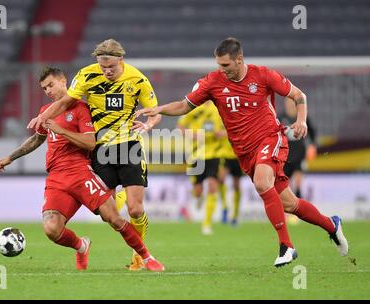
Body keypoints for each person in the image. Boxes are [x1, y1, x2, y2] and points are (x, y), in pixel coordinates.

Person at [135, 37, 348, 267]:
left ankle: (287, 246)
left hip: (270, 138)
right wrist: (159, 109)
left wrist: (302, 120)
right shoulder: (213, 81)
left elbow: (299, 95)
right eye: (218, 64)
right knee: (289, 203)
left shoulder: (264, 75)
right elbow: (184, 105)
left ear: (239, 59)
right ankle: (331, 224)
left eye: (225, 65)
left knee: (261, 182)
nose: (221, 70)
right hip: (244, 151)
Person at [0, 67, 164, 272]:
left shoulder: (81, 108)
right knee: (51, 229)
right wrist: (11, 157)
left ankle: (147, 258)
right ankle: (81, 246)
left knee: (114, 218)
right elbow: (38, 138)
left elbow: (90, 143)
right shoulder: (45, 112)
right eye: (44, 88)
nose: (48, 91)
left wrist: (61, 130)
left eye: (51, 85)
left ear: (63, 81)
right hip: (56, 178)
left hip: (81, 173)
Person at [177, 100, 227, 235]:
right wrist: (191, 134)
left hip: (214, 154)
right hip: (196, 155)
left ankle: (207, 224)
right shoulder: (192, 109)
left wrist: (221, 133)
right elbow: (179, 128)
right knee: (198, 191)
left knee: (212, 186)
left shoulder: (218, 109)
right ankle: (199, 199)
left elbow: (228, 129)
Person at [279, 97, 317, 199]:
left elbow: (312, 132)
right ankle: (290, 204)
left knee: (298, 179)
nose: (289, 104)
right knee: (286, 184)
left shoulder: (302, 117)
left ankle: (299, 196)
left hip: (299, 154)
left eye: (291, 102)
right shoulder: (280, 117)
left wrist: (312, 145)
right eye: (288, 102)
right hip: (285, 156)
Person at [219, 131, 243, 226]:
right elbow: (215, 132)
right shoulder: (218, 118)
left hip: (237, 156)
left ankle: (235, 215)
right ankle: (225, 207)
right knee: (221, 179)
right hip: (225, 155)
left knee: (236, 185)